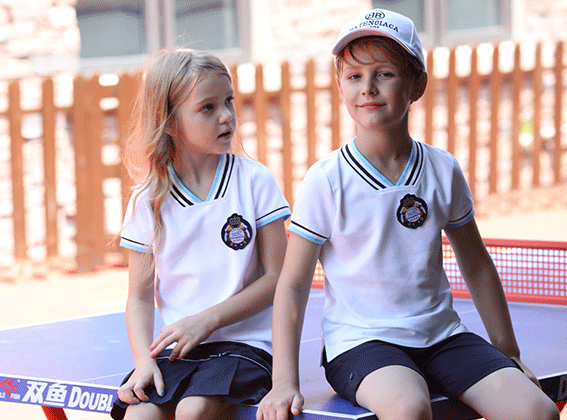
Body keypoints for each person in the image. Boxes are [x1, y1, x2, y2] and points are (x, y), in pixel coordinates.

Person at [257, 9, 559, 420]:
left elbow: (477, 265)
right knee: (407, 407)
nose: (368, 88)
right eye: (354, 76)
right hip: (361, 344)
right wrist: (284, 381)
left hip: (443, 337)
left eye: (384, 74)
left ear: (418, 84)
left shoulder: (442, 169)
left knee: (538, 410)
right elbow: (292, 286)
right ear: (341, 85)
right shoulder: (325, 179)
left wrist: (508, 352)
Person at [110, 48, 290, 420]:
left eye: (228, 101)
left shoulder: (255, 181)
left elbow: (278, 278)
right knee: (140, 416)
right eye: (207, 108)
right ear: (169, 122)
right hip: (179, 350)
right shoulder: (148, 199)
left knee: (194, 411)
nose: (226, 115)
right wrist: (144, 361)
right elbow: (139, 297)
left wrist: (207, 320)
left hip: (246, 346)